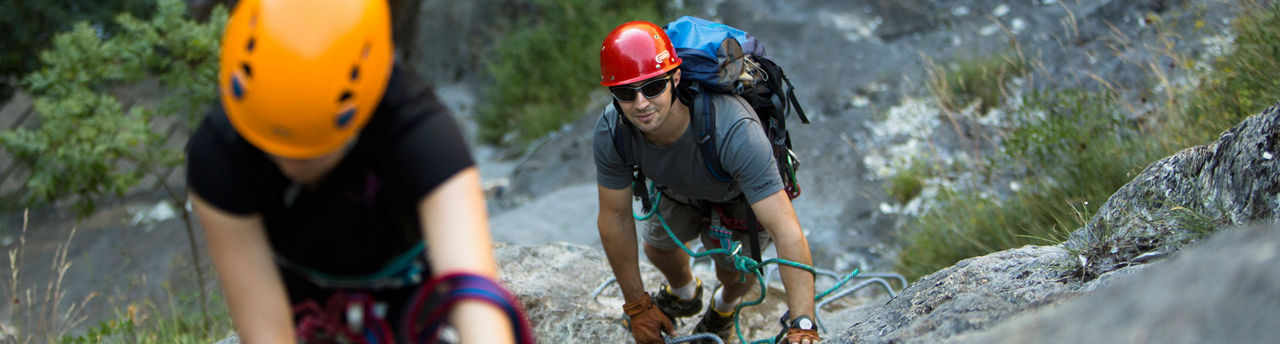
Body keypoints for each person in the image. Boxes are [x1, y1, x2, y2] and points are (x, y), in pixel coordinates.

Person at [186, 0, 528, 342]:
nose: (290, 165)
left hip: (411, 294)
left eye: (314, 150)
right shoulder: (220, 154)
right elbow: (266, 330)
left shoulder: (422, 136)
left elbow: (472, 290)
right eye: (270, 150)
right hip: (301, 300)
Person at [593, 21, 821, 344]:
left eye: (654, 87)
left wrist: (803, 324)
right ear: (613, 94)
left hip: (738, 195)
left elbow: (785, 229)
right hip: (677, 188)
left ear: (675, 78)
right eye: (626, 93)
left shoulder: (734, 128)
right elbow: (614, 218)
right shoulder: (613, 130)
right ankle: (685, 294)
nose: (641, 103)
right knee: (657, 249)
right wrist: (638, 308)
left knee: (733, 274)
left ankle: (724, 307)